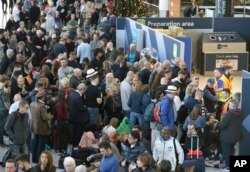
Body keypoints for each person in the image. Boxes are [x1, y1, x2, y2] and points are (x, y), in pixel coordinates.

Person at [219, 99, 243, 170]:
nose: (228, 107)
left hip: (226, 136)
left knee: (226, 152)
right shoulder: (240, 113)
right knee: (231, 151)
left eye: (229, 105)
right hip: (235, 136)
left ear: (232, 106)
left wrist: (217, 123)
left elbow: (222, 125)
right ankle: (230, 165)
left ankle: (228, 166)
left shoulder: (229, 113)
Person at [30, 90, 53, 163]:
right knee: (41, 145)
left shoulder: (32, 103)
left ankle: (34, 159)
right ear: (43, 97)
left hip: (34, 126)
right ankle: (38, 160)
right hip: (42, 128)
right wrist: (51, 116)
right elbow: (45, 117)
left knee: (35, 143)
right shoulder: (42, 106)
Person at [69, 83, 88, 147]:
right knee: (78, 132)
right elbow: (81, 108)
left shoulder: (73, 94)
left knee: (74, 131)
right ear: (82, 89)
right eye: (84, 90)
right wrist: (85, 107)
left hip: (72, 116)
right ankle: (76, 144)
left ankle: (74, 143)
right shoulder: (78, 97)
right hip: (78, 117)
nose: (84, 92)